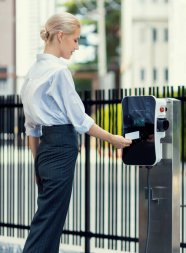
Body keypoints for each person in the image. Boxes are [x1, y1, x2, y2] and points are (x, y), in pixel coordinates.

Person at [20, 12, 132, 253]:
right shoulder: (58, 72)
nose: (77, 47)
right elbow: (80, 120)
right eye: (75, 40)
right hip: (60, 150)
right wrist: (113, 139)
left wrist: (36, 164)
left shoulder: (31, 74)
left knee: (48, 221)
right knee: (48, 224)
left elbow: (32, 128)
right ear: (60, 36)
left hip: (45, 153)